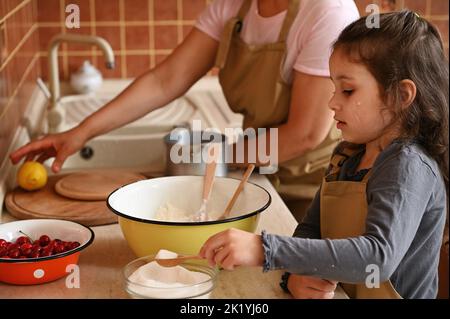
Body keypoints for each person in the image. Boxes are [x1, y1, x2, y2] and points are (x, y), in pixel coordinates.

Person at [9, 0, 359, 222]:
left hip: (316, 187)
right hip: (259, 171)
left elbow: (305, 133)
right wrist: (81, 132)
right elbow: (166, 80)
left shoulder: (326, 11)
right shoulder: (234, 6)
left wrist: (210, 157)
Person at [199, 11, 449, 299]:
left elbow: (376, 258)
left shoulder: (408, 166)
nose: (332, 102)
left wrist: (265, 249)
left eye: (348, 90)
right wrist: (293, 277)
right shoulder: (346, 155)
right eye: (334, 88)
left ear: (401, 96)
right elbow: (310, 229)